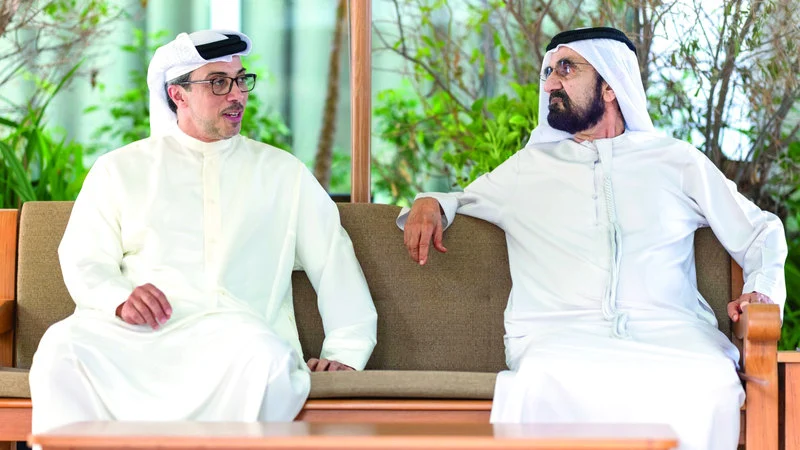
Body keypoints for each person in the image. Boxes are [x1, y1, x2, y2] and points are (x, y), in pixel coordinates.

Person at [399, 27, 786, 450]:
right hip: (561, 340)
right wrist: (429, 203)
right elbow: (459, 200)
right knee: (541, 381)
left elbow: (761, 230)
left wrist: (761, 289)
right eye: (548, 72)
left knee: (710, 382)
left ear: (610, 86)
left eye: (566, 69)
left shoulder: (676, 162)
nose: (550, 84)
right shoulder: (527, 170)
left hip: (673, 336)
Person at [29, 30, 377, 433]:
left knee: (265, 359)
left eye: (241, 80)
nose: (237, 95)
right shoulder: (119, 170)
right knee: (61, 348)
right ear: (178, 95)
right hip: (138, 339)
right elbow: (84, 257)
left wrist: (345, 351)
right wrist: (119, 299)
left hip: (234, 339)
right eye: (219, 83)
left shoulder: (284, 174)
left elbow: (333, 259)